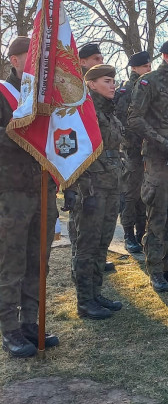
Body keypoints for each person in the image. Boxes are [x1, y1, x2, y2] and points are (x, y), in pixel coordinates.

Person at [0, 36, 59, 357]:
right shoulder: (2, 94)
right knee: (11, 262)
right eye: (29, 58)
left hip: (43, 190)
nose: (35, 65)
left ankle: (31, 323)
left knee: (39, 261)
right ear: (15, 61)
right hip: (12, 194)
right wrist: (26, 129)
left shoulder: (44, 98)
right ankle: (9, 329)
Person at [128, 38, 168, 292]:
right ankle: (155, 269)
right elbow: (134, 118)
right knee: (157, 215)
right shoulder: (150, 82)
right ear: (166, 56)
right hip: (158, 159)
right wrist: (163, 142)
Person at [65, 65, 123, 319]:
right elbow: (73, 151)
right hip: (91, 188)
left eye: (113, 81)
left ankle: (96, 294)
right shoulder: (82, 112)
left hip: (111, 185)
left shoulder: (110, 112)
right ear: (91, 84)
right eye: (107, 81)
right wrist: (78, 189)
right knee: (86, 246)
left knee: (102, 243)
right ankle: (85, 301)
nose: (113, 85)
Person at [115, 51, 152, 253]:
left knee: (145, 194)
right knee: (130, 194)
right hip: (131, 151)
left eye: (149, 66)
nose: (149, 69)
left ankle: (141, 232)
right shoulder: (126, 91)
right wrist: (133, 143)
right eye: (145, 67)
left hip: (149, 151)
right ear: (135, 68)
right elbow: (121, 124)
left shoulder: (149, 89)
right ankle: (129, 234)